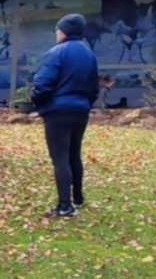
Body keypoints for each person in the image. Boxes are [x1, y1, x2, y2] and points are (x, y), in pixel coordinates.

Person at [31, 13, 99, 218]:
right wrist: (86, 103)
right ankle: (77, 196)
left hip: (57, 111)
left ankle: (65, 206)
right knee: (73, 154)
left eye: (57, 30)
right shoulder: (89, 54)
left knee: (59, 158)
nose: (56, 34)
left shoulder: (56, 53)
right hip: (81, 110)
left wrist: (38, 101)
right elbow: (94, 87)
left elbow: (43, 83)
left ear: (63, 31)